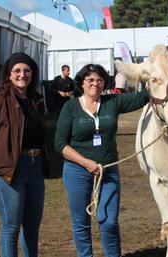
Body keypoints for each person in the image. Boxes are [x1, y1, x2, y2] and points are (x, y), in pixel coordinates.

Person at [54, 64, 149, 257]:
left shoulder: (112, 102)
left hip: (108, 170)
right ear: (81, 82)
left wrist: (154, 73)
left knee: (109, 221)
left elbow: (142, 97)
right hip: (77, 170)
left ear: (105, 83)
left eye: (99, 80)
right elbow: (60, 144)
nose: (95, 84)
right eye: (90, 80)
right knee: (81, 222)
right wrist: (85, 162)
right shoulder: (71, 107)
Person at [0, 52, 49, 257]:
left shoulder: (37, 100)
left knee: (32, 228)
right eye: (17, 71)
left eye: (26, 70)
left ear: (32, 74)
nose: (22, 75)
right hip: (10, 170)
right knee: (11, 226)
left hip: (35, 168)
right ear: (9, 75)